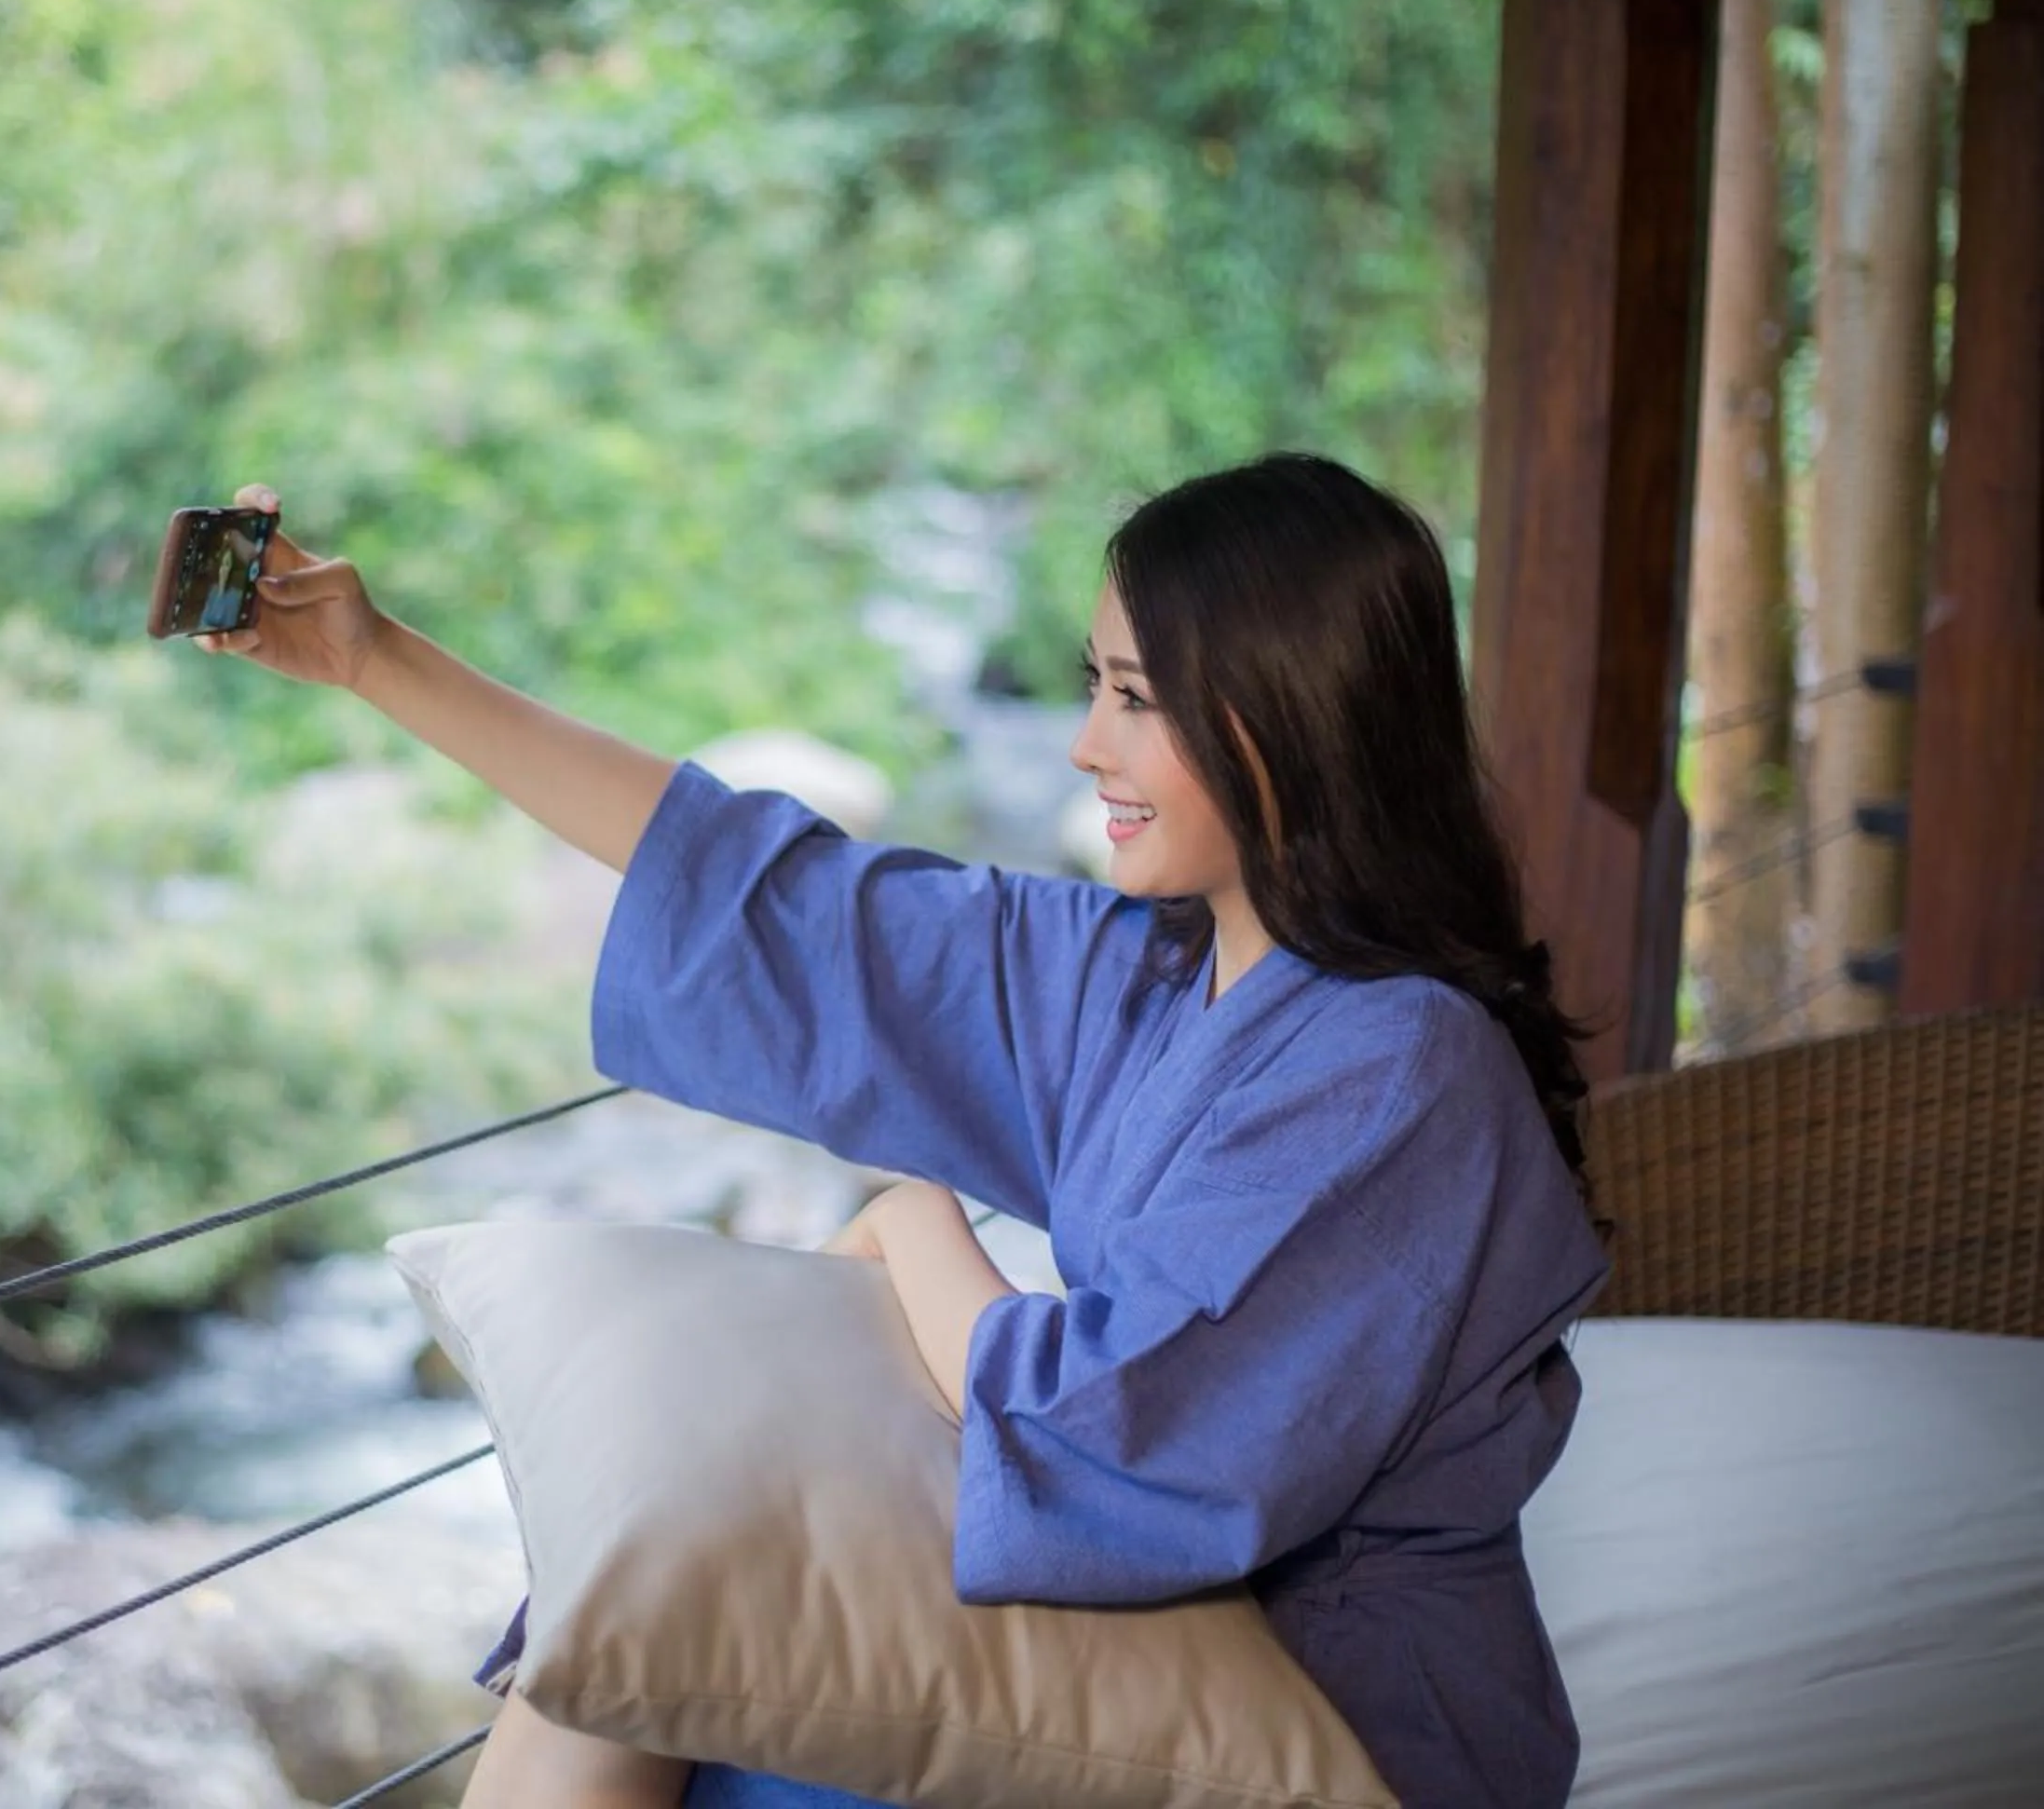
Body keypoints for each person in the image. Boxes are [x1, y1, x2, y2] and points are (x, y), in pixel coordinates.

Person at [199, 455, 1612, 1809]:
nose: (1086, 744)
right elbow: (780, 894)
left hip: (1343, 1723)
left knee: (649, 1688)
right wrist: (376, 660)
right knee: (619, 1662)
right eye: (1093, 686)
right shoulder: (1148, 974)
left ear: (1290, 715)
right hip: (1162, 1645)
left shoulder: (1399, 1065)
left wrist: (912, 1217)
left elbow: (1123, 1448)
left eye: (1136, 699)